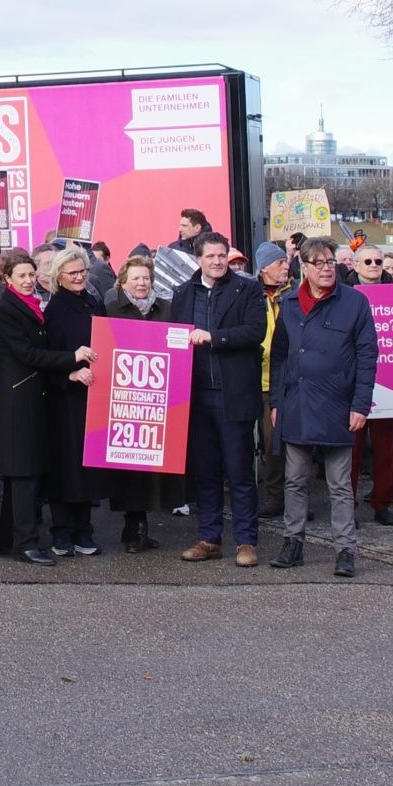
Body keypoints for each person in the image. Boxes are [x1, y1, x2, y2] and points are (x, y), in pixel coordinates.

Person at [269, 237, 378, 578]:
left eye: (331, 261)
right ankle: (293, 544)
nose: (327, 268)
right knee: (295, 480)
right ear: (304, 267)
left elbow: (367, 357)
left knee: (339, 484)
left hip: (338, 405)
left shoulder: (355, 303)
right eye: (319, 263)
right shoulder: (288, 303)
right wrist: (276, 401)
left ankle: (345, 550)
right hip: (297, 403)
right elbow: (279, 357)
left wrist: (360, 405)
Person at [172, 232, 266, 568]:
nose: (217, 261)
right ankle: (209, 538)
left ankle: (246, 540)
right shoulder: (183, 293)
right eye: (210, 256)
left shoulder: (248, 288)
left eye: (222, 256)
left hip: (234, 394)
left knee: (240, 471)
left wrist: (215, 337)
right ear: (198, 258)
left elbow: (255, 331)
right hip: (196, 396)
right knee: (206, 472)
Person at [0, 248, 80, 566]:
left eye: (31, 275)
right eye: (22, 276)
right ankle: (25, 543)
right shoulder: (8, 311)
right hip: (17, 400)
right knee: (23, 474)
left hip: (29, 396)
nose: (29, 281)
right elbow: (29, 355)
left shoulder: (30, 305)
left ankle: (12, 540)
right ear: (8, 279)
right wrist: (72, 357)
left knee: (21, 475)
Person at [104, 254, 185, 551]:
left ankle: (141, 526)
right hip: (124, 399)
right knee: (129, 469)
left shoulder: (166, 309)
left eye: (146, 278)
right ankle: (132, 527)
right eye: (136, 278)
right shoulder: (110, 308)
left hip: (158, 397)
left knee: (153, 469)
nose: (141, 283)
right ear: (123, 281)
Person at [41, 246, 106, 557]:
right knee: (64, 465)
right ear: (59, 277)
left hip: (94, 396)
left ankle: (84, 528)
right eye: (73, 273)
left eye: (83, 272)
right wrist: (68, 374)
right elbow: (44, 357)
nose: (80, 277)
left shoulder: (95, 304)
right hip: (62, 399)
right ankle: (62, 531)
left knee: (88, 465)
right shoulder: (52, 311)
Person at [350, 243, 393, 526]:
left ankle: (382, 502)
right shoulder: (344, 294)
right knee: (352, 450)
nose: (373, 265)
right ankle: (350, 506)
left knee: (385, 448)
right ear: (356, 265)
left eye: (378, 261)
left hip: (389, 380)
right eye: (367, 261)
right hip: (354, 382)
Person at [254, 241, 293, 519]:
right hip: (258, 380)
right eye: (279, 263)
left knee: (287, 442)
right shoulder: (251, 294)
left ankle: (288, 498)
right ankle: (272, 495)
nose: (286, 266)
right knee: (269, 443)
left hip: (289, 379)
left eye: (286, 262)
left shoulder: (295, 293)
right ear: (265, 267)